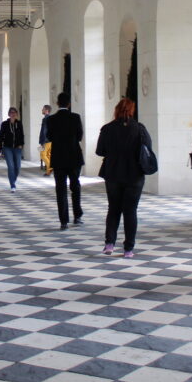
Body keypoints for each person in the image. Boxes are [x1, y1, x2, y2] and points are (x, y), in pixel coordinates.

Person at [95, 98, 151, 258]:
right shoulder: (139, 129)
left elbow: (99, 151)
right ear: (132, 111)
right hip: (134, 175)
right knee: (130, 211)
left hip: (113, 174)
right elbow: (148, 148)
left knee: (113, 209)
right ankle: (128, 249)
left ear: (116, 110)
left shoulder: (107, 129)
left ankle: (109, 244)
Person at [46, 92, 84, 230]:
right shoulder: (75, 117)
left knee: (60, 189)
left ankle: (63, 221)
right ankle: (77, 216)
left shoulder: (51, 119)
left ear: (57, 103)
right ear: (69, 104)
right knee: (75, 187)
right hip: (74, 157)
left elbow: (49, 136)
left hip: (59, 158)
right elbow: (79, 136)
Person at [0, 107, 24, 192]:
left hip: (17, 147)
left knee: (18, 167)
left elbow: (22, 135)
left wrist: (21, 144)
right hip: (7, 148)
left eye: (14, 112)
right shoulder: (4, 124)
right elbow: (1, 136)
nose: (13, 114)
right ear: (9, 114)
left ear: (16, 114)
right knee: (11, 166)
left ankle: (13, 179)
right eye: (11, 112)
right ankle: (12, 185)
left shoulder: (19, 123)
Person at [38, 104, 53, 175]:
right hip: (49, 140)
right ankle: (48, 172)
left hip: (45, 141)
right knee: (48, 155)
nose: (42, 110)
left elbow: (44, 130)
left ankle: (50, 167)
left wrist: (43, 141)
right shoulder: (50, 118)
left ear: (46, 110)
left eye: (43, 109)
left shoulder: (46, 119)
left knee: (42, 155)